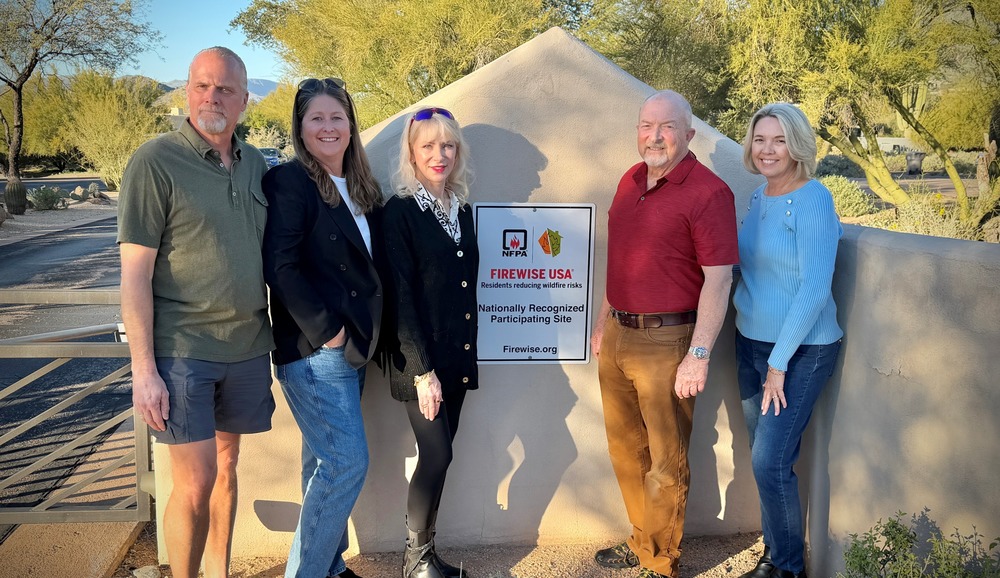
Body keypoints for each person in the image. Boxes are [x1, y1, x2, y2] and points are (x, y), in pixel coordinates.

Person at [118, 47, 274, 578]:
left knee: (227, 468)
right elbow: (134, 274)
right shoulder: (155, 161)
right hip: (184, 351)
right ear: (187, 90)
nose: (213, 97)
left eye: (225, 89)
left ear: (244, 101)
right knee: (195, 480)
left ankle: (219, 573)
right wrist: (143, 371)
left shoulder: (255, 163)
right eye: (202, 86)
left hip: (249, 346)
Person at [591, 90, 739, 578]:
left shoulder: (710, 193)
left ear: (689, 134)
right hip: (617, 336)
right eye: (646, 125)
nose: (654, 136)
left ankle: (660, 561)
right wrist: (603, 322)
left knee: (665, 460)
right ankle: (641, 540)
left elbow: (719, 278)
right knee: (625, 450)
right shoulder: (630, 180)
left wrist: (698, 354)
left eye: (668, 127)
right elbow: (623, 259)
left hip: (668, 343)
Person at [261, 78, 386, 578]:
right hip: (315, 351)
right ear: (300, 127)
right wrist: (328, 332)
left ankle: (328, 566)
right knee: (347, 464)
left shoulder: (360, 187)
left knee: (322, 467)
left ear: (351, 126)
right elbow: (281, 265)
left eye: (337, 117)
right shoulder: (289, 182)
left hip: (351, 351)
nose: (329, 127)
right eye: (317, 118)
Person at [733, 103, 843, 578]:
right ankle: (775, 554)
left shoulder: (815, 199)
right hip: (750, 344)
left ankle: (788, 568)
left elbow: (815, 289)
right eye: (760, 139)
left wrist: (779, 362)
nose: (768, 150)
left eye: (779, 140)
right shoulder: (760, 197)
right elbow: (749, 269)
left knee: (769, 461)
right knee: (768, 461)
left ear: (797, 145)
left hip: (800, 353)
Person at [382, 107, 478, 578]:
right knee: (437, 453)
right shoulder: (399, 211)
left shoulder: (460, 207)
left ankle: (428, 555)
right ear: (412, 153)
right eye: (428, 146)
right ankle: (414, 562)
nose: (439, 155)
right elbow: (399, 297)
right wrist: (423, 372)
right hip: (418, 361)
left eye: (448, 146)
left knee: (444, 456)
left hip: (455, 356)